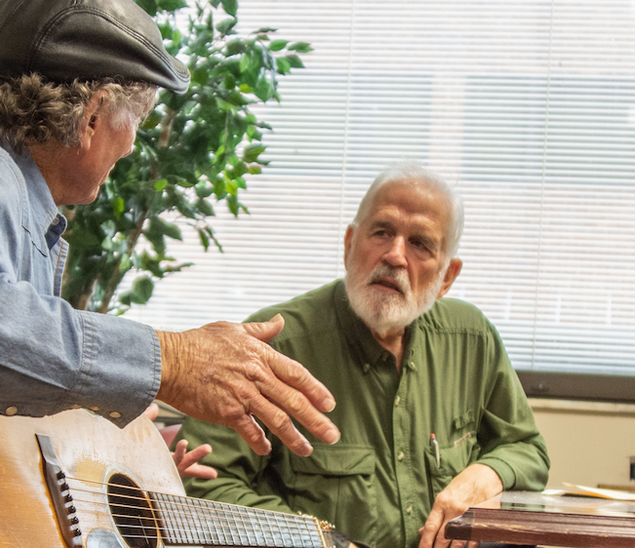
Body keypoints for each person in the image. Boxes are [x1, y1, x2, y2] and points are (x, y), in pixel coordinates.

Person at [0, 0, 342, 544]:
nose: (132, 145)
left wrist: (103, 452)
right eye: (138, 123)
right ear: (94, 114)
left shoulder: (3, 185)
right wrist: (167, 359)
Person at [175, 161, 550, 548]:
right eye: (382, 232)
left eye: (420, 243)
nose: (395, 255)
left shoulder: (471, 338)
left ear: (447, 278)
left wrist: (487, 475)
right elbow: (200, 489)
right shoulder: (273, 344)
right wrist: (322, 542)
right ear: (349, 243)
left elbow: (528, 451)